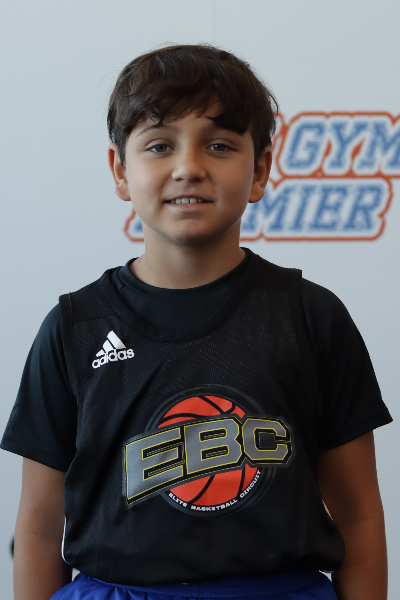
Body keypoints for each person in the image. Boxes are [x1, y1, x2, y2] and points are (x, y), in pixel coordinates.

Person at [1, 44, 392, 600]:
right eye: (160, 145)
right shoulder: (73, 328)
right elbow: (40, 528)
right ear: (120, 170)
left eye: (219, 145)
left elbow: (358, 515)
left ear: (259, 171)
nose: (189, 167)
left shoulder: (311, 316)